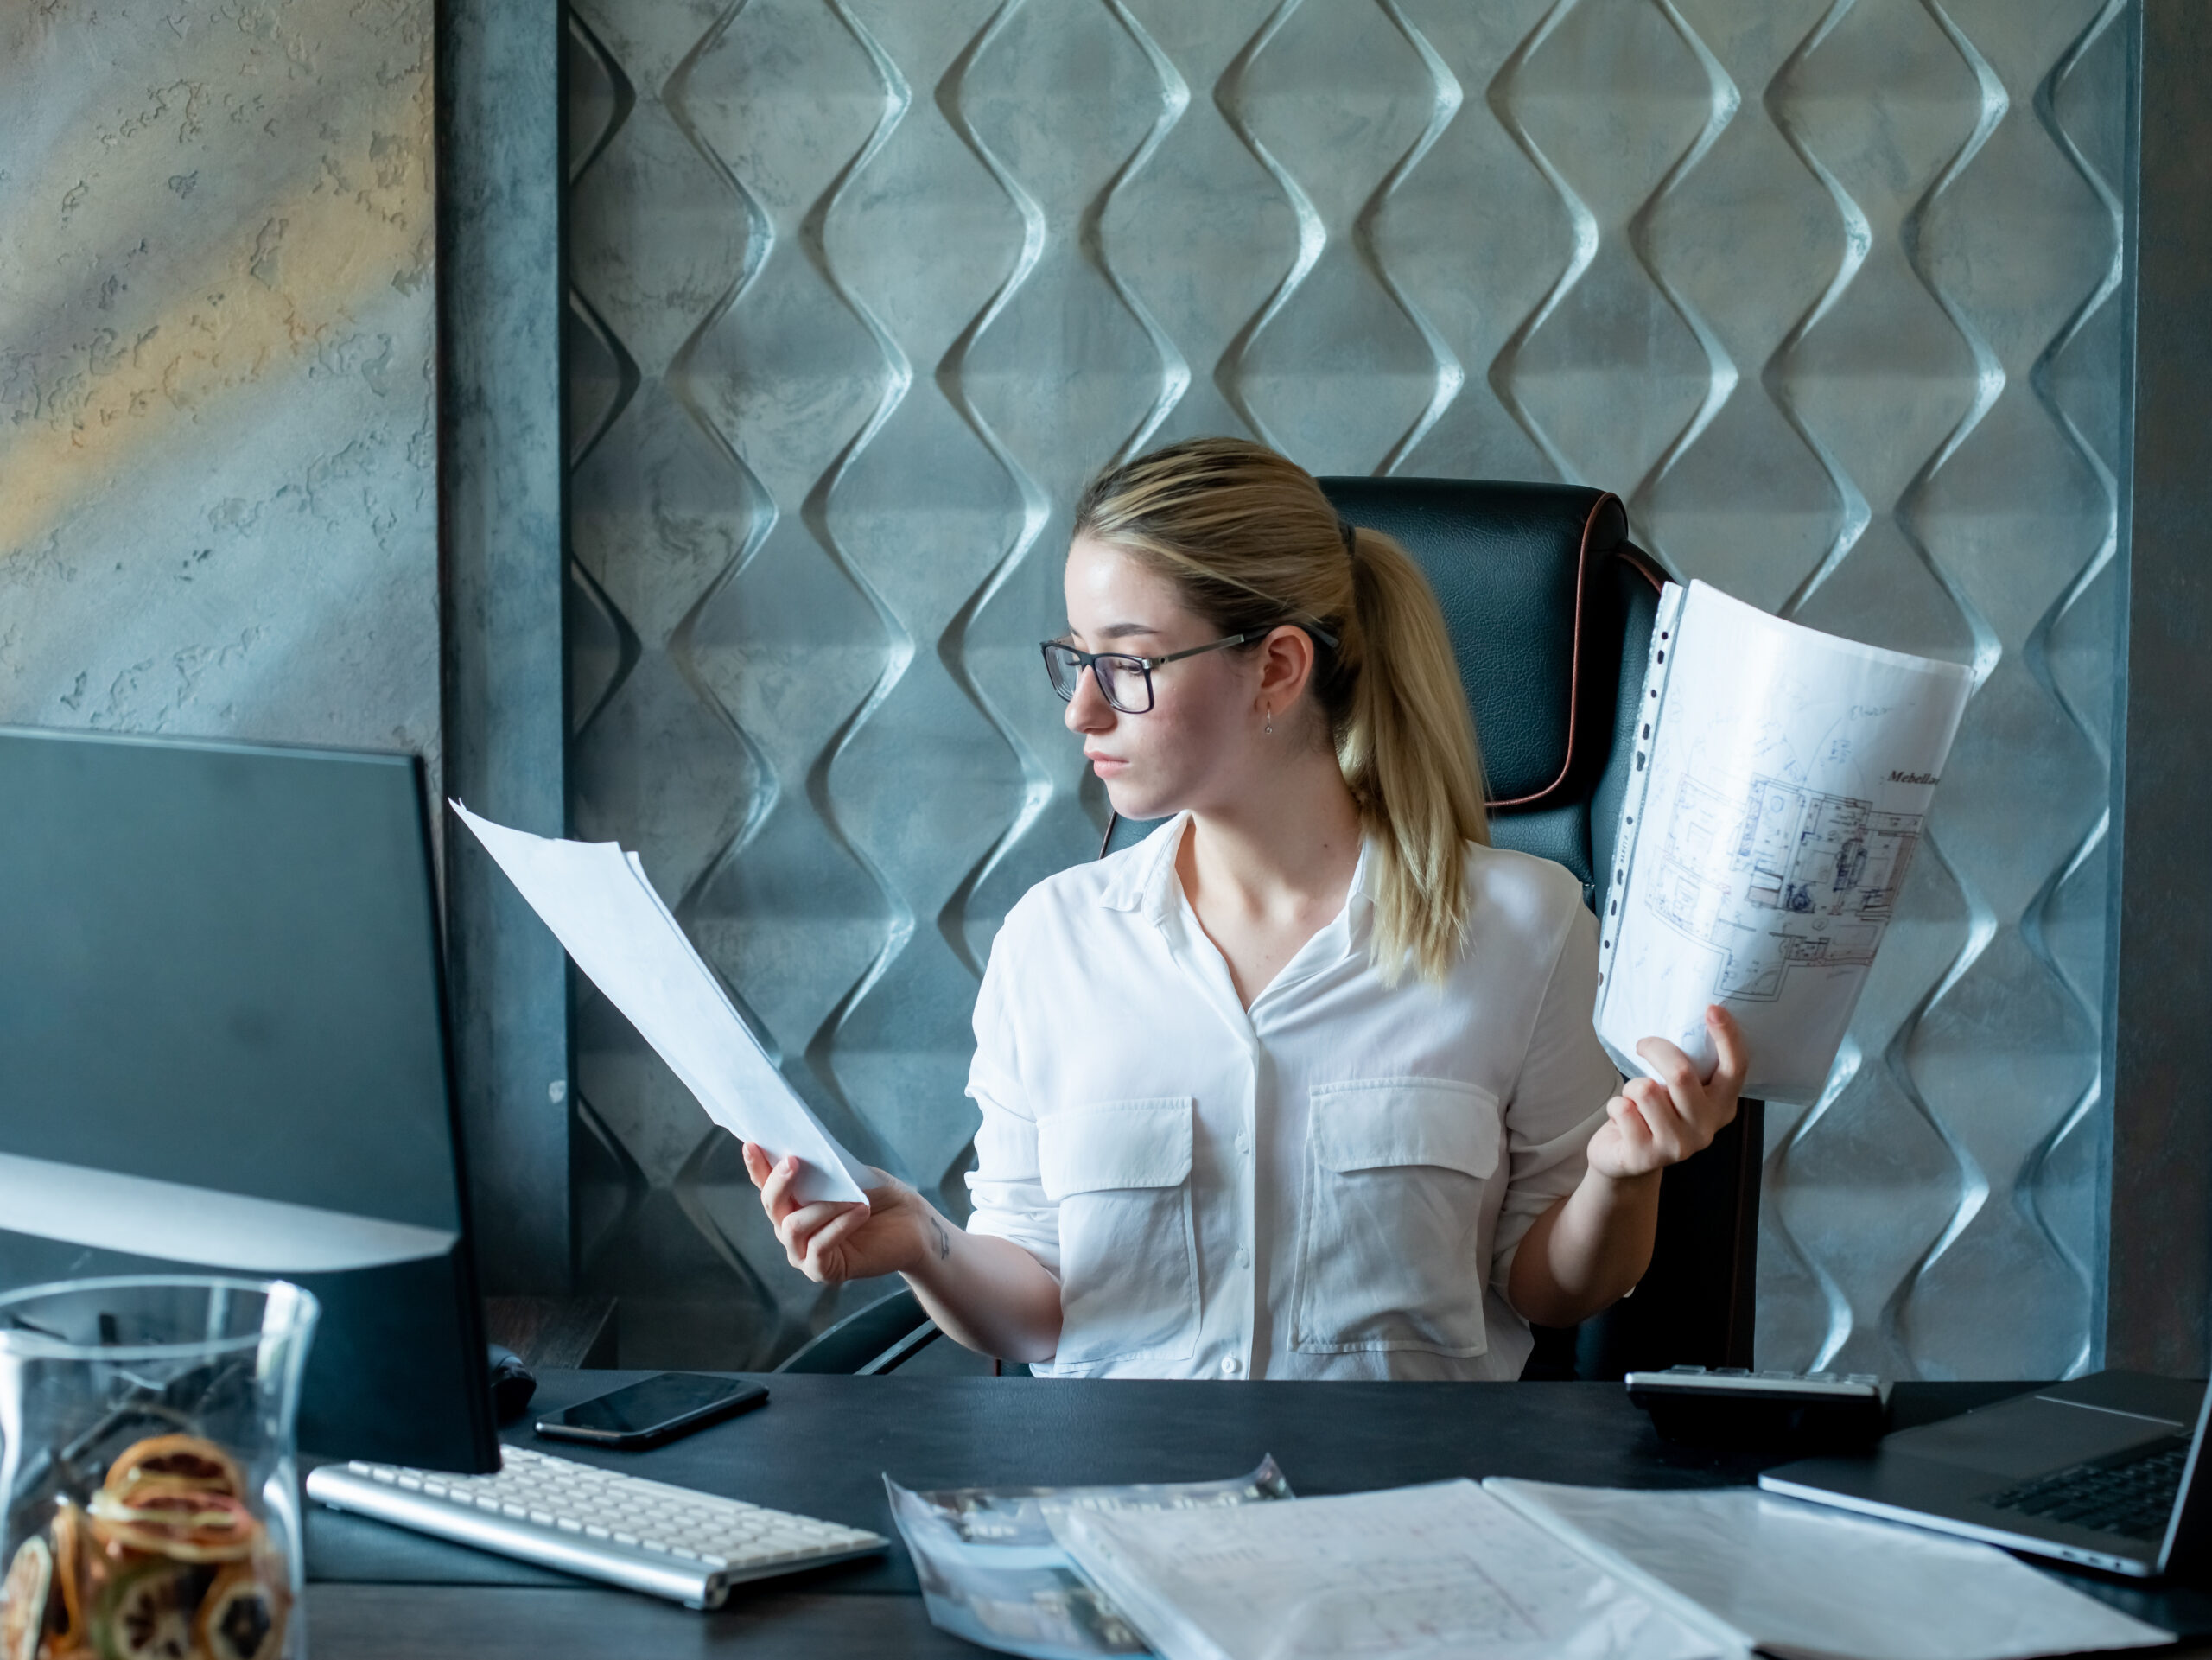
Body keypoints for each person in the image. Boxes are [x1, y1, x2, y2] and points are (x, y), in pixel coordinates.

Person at [743, 436, 1745, 1379]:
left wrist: (1621, 1176)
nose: (1080, 711)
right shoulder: (1052, 942)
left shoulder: (1523, 926)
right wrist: (925, 1242)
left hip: (1404, 1513)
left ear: (1274, 668)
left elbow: (1551, 1290)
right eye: (1076, 658)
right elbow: (1038, 1306)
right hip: (1116, 1507)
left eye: (1126, 665)